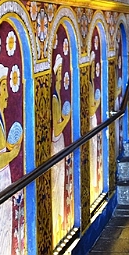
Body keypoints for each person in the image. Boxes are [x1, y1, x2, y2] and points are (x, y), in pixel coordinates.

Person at [0, 64, 23, 255]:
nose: (7, 93)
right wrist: (15, 152)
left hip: (5, 176)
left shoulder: (0, 115)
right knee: (0, 225)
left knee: (6, 222)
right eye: (4, 89)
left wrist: (11, 148)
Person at [51, 54, 71, 237]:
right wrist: (67, 118)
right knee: (57, 182)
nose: (59, 78)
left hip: (59, 144)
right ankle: (57, 221)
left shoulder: (56, 97)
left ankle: (59, 220)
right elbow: (56, 129)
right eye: (57, 75)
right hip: (57, 144)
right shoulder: (55, 99)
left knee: (59, 181)